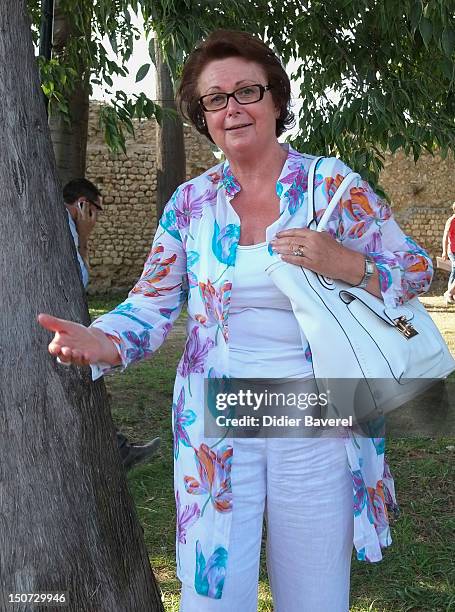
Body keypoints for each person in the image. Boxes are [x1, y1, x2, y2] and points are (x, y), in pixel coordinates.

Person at [39, 31, 433, 611]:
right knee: (212, 590)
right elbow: (153, 300)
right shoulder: (191, 203)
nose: (233, 108)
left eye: (246, 91)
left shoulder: (330, 185)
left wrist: (345, 262)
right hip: (219, 416)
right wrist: (103, 340)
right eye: (215, 99)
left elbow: (417, 270)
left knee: (315, 591)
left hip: (318, 414)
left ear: (275, 99)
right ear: (203, 117)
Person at [63, 178, 160, 471]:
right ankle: (116, 450)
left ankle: (117, 447)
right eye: (94, 209)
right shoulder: (66, 224)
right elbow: (78, 279)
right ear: (82, 204)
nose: (95, 217)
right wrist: (84, 236)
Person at [441, 201, 455, 304]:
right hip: (453, 250)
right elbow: (445, 237)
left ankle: (451, 294)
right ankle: (449, 293)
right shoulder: (451, 221)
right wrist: (444, 252)